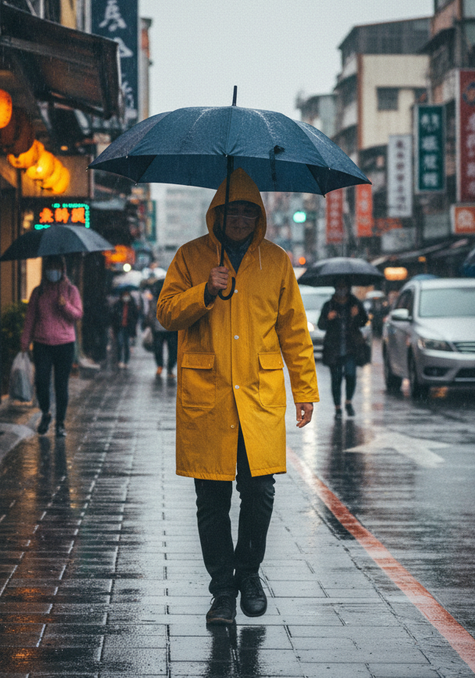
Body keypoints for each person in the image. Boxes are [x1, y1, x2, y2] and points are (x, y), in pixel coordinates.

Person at [157, 168, 319, 626]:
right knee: (211, 498)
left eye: (250, 211)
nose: (241, 219)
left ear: (260, 215)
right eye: (233, 210)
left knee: (260, 492)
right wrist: (205, 290)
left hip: (258, 397)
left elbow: (293, 330)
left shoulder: (277, 261)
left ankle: (249, 573)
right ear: (217, 214)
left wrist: (304, 388)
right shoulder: (190, 257)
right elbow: (166, 313)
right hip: (207, 397)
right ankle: (222, 590)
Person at [20, 255, 83, 437]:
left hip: (65, 344)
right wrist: (25, 340)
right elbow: (30, 318)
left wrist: (65, 306)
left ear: (63, 270)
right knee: (41, 382)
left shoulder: (71, 291)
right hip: (42, 344)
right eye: (50, 268)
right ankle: (46, 412)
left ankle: (61, 423)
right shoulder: (38, 292)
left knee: (61, 385)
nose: (52, 272)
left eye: (56, 268)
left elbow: (78, 315)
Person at [318, 278, 369, 418]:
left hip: (351, 348)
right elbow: (321, 324)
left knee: (351, 375)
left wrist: (356, 315)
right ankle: (338, 408)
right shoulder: (328, 305)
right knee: (336, 379)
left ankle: (348, 402)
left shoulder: (355, 304)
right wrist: (328, 318)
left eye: (344, 286)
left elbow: (364, 321)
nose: (342, 290)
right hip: (334, 348)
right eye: (339, 287)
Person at [147, 278, 178, 378]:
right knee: (170, 349)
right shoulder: (159, 300)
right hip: (166, 329)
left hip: (163, 329)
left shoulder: (156, 300)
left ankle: (163, 367)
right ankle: (167, 367)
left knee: (161, 349)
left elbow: (151, 314)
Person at [110, 290, 139, 369]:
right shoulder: (117, 305)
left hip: (128, 327)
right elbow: (113, 317)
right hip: (119, 327)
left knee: (126, 344)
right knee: (119, 343)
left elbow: (135, 317)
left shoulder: (132, 305)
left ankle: (126, 361)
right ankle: (119, 360)